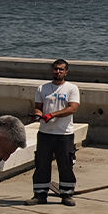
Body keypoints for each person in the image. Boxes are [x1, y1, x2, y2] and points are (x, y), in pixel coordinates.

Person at [29, 59, 81, 205]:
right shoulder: (42, 88)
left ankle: (66, 194)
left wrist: (52, 115)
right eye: (56, 69)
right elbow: (37, 107)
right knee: (41, 164)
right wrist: (38, 115)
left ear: (66, 72)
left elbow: (73, 108)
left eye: (61, 69)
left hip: (64, 134)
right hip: (45, 133)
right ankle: (39, 195)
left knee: (66, 164)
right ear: (52, 70)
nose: (58, 72)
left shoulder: (72, 88)